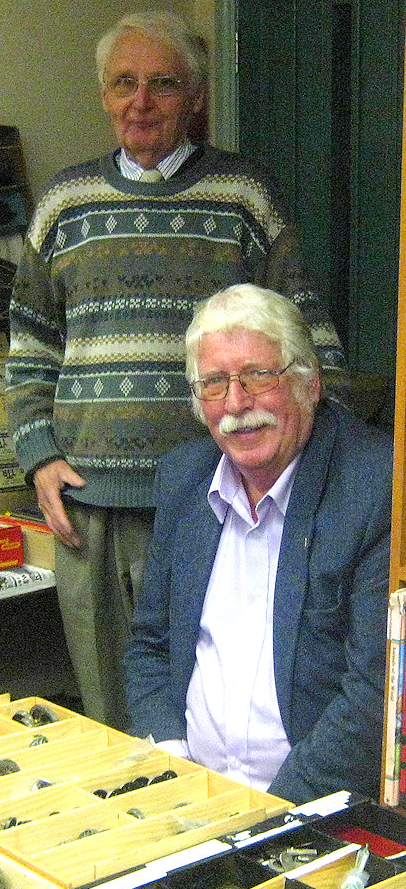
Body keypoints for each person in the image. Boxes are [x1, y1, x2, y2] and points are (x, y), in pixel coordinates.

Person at [5, 9, 345, 731]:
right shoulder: (64, 203)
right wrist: (38, 455)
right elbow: (30, 340)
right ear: (103, 95)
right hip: (89, 504)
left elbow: (307, 334)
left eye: (162, 84)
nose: (141, 102)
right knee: (107, 713)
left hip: (215, 498)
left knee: (214, 703)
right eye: (123, 83)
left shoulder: (244, 196)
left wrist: (327, 469)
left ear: (194, 96)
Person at [123, 283, 391, 804]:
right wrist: (173, 769)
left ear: (310, 382)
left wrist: (273, 818)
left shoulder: (377, 486)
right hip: (192, 794)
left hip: (313, 805)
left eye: (258, 376)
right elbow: (151, 644)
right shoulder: (184, 479)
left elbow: (376, 692)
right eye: (214, 383)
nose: (236, 403)